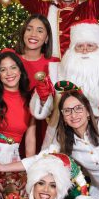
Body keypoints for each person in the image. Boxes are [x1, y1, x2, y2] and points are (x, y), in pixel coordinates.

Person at [30, 20, 99, 148]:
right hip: (64, 141)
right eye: (80, 46)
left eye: (90, 46)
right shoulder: (56, 73)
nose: (85, 50)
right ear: (72, 50)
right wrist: (43, 99)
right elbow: (44, 111)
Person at [0, 49, 36, 197]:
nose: (9, 73)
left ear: (20, 71)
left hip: (15, 162)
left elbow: (29, 145)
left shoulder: (30, 102)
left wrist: (28, 174)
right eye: (3, 70)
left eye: (13, 67)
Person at [15, 14, 60, 149]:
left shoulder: (54, 64)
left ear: (46, 38)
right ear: (23, 33)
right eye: (29, 29)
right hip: (13, 122)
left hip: (44, 127)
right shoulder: (10, 58)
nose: (33, 34)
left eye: (40, 31)